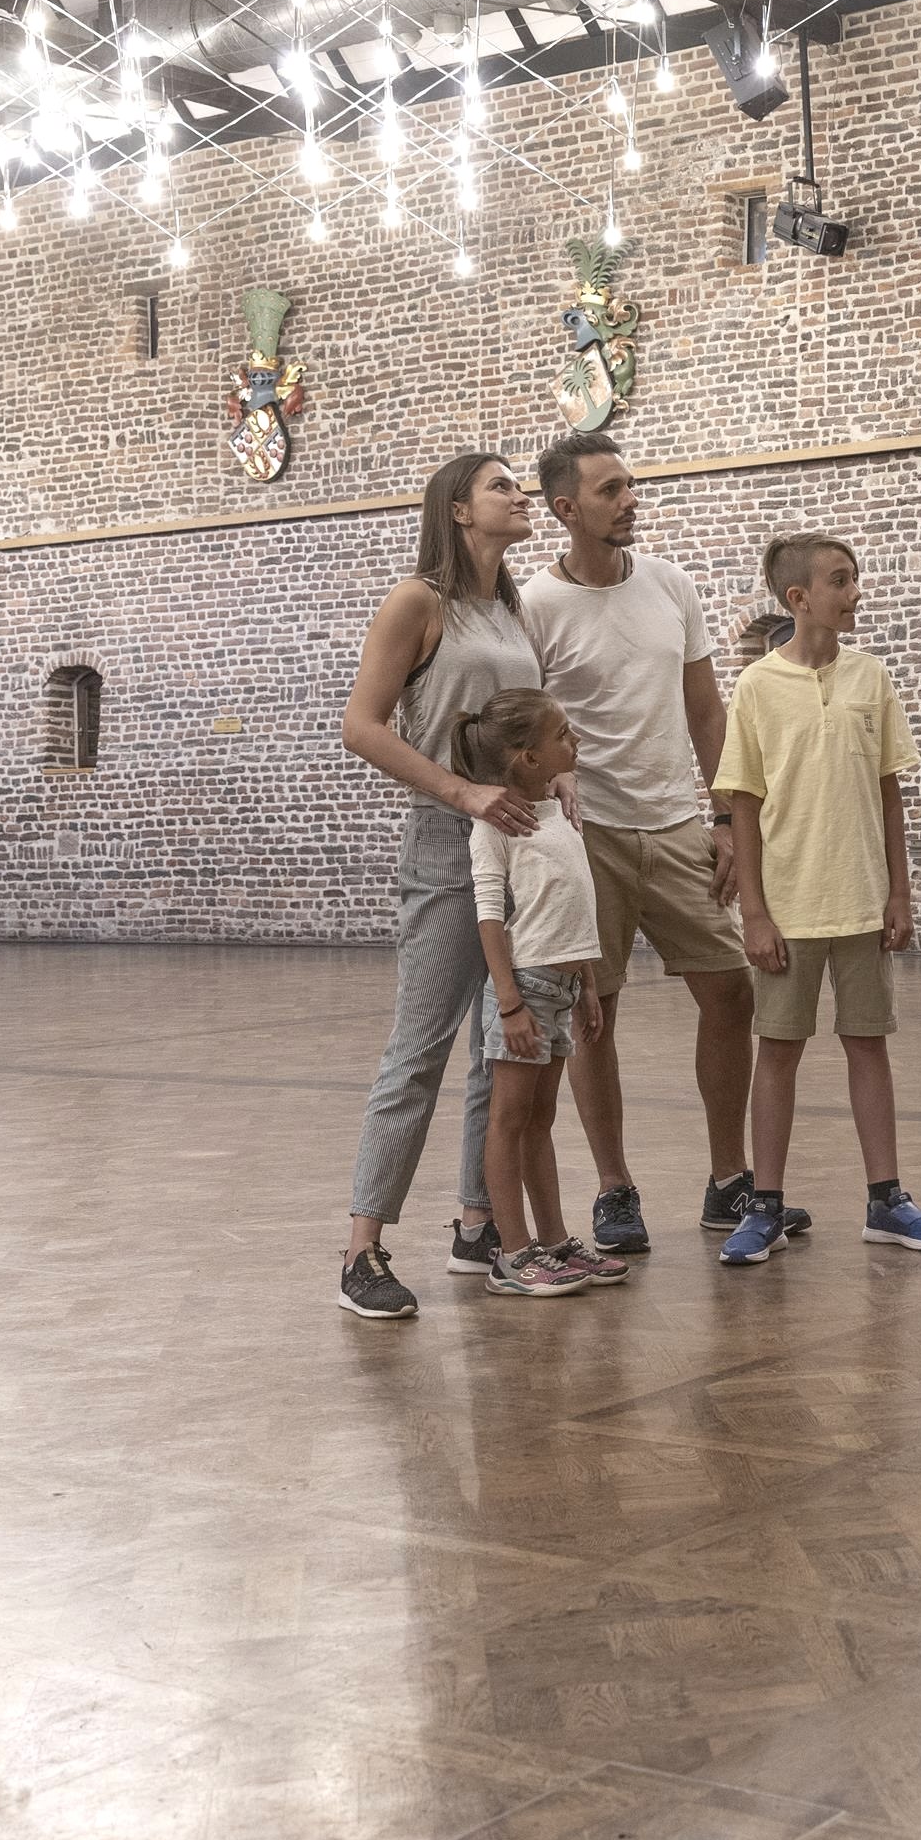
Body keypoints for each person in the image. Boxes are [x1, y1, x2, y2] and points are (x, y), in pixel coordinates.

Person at [522, 430, 804, 1255]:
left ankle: (728, 1179)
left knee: (731, 993)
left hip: (677, 823)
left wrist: (724, 818)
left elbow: (706, 711)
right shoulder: (535, 607)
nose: (630, 500)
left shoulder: (671, 585)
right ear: (566, 508)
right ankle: (614, 1188)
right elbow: (525, 729)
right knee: (593, 1013)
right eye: (609, 490)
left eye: (630, 485)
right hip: (588, 836)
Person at [333, 451, 545, 1321]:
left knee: (503, 1047)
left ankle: (478, 1226)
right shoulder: (416, 601)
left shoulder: (511, 608)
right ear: (458, 510)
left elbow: (524, 726)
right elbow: (361, 726)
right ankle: (361, 1252)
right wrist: (462, 794)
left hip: (518, 838)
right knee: (419, 1050)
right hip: (447, 837)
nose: (520, 494)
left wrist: (557, 778)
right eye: (502, 485)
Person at [709, 531, 921, 1268]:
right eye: (841, 580)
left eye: (855, 578)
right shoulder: (756, 687)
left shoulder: (871, 677)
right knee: (778, 1052)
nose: (855, 592)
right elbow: (743, 803)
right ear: (799, 598)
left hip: (861, 902)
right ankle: (764, 1206)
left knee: (868, 1045)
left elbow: (889, 793)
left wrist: (899, 893)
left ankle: (887, 1201)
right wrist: (755, 912)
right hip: (787, 910)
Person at [459, 687, 619, 1300]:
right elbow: (489, 916)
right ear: (528, 757)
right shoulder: (495, 825)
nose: (574, 741)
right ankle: (512, 1253)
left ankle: (552, 1241)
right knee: (509, 1119)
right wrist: (510, 1003)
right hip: (524, 990)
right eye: (562, 735)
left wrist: (588, 985)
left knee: (541, 1120)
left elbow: (573, 907)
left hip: (561, 988)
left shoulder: (557, 812)